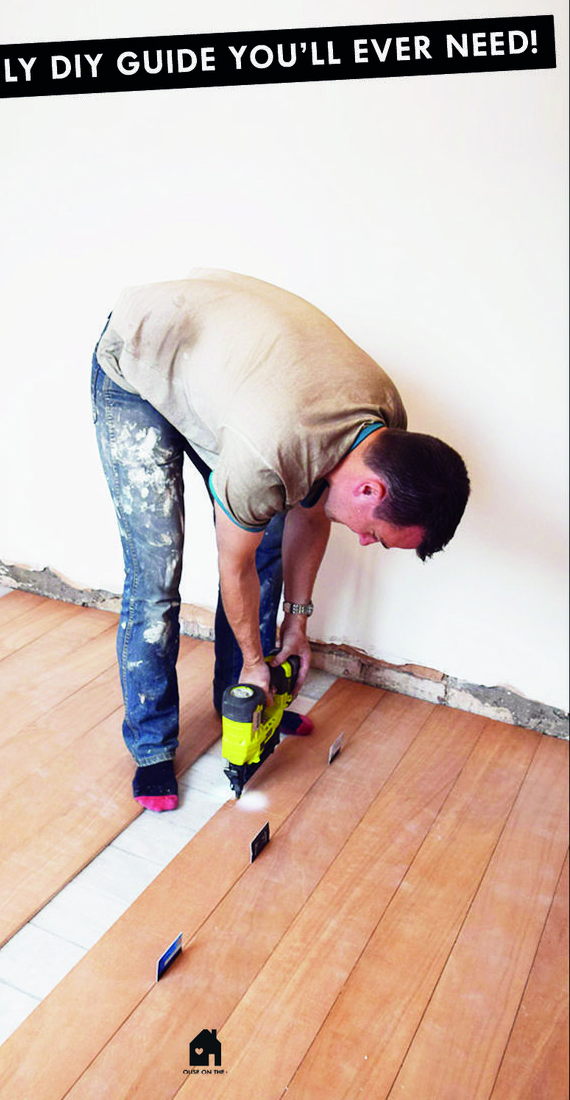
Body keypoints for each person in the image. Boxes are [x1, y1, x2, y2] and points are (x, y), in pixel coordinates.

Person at [91, 269, 470, 811]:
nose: (364, 543)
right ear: (370, 488)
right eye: (376, 535)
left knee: (269, 542)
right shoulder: (268, 449)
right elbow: (232, 561)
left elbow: (314, 507)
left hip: (227, 379)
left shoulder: (383, 424)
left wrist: (297, 621)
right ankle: (152, 745)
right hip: (142, 358)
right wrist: (255, 660)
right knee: (157, 573)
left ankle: (242, 705)